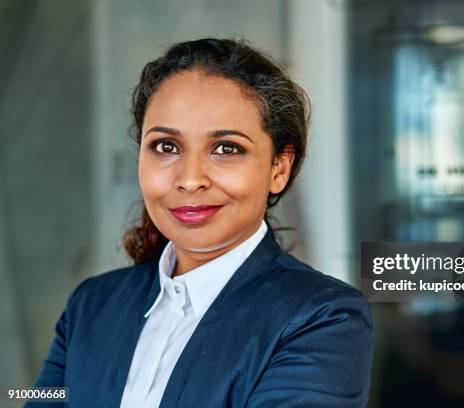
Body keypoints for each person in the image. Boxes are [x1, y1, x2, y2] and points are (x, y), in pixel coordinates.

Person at [27, 38, 374, 407]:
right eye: (166, 147)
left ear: (279, 168)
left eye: (227, 148)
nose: (190, 179)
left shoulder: (322, 318)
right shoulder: (91, 306)